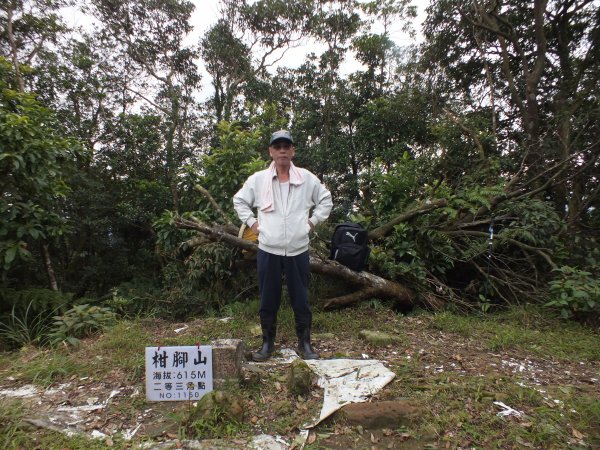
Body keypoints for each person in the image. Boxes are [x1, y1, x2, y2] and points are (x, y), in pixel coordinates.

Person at [233, 130, 332, 361]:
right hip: (269, 248)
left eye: (286, 146)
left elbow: (325, 199)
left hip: (298, 249)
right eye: (277, 147)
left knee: (301, 299)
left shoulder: (307, 178)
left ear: (293, 150)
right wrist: (252, 223)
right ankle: (267, 344)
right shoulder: (258, 180)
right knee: (268, 298)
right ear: (271, 151)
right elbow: (239, 200)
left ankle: (305, 343)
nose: (282, 150)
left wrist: (312, 222)